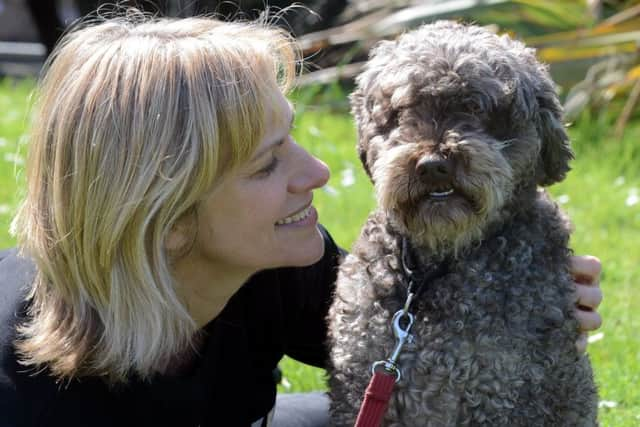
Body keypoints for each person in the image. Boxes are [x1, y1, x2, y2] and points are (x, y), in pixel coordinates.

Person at [0, 13, 603, 427]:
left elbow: (405, 342)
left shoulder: (274, 262)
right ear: (168, 217)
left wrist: (527, 298)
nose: (318, 171)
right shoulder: (28, 398)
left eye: (293, 137)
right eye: (268, 164)